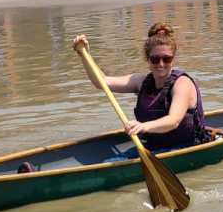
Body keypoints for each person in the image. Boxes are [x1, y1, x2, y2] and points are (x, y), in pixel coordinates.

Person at [72, 23, 212, 155]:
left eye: (166, 59)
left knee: (114, 160)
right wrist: (85, 55)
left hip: (187, 146)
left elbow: (173, 121)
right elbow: (101, 82)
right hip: (153, 146)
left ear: (173, 59)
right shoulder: (141, 81)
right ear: (147, 59)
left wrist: (143, 126)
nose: (161, 64)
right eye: (155, 59)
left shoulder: (182, 84)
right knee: (112, 160)